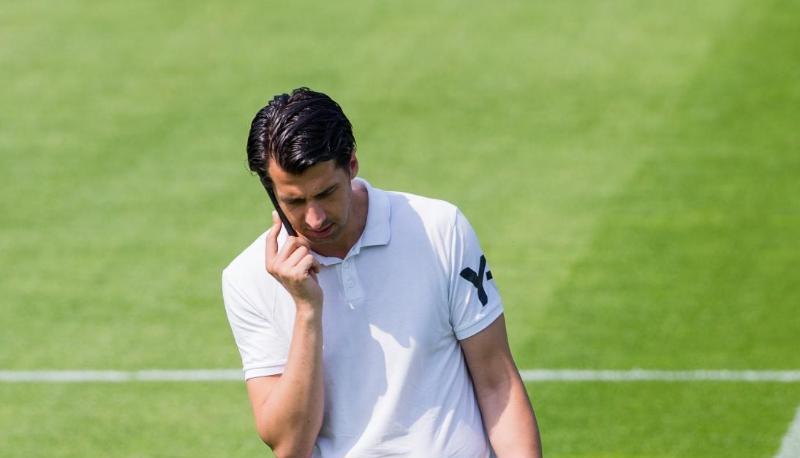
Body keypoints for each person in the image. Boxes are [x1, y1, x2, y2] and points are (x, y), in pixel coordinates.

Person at [222, 87, 542, 457]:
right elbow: (290, 445)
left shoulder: (440, 229)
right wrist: (307, 312)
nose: (315, 218)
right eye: (294, 201)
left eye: (326, 193)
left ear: (352, 164)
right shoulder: (247, 279)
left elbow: (497, 383)